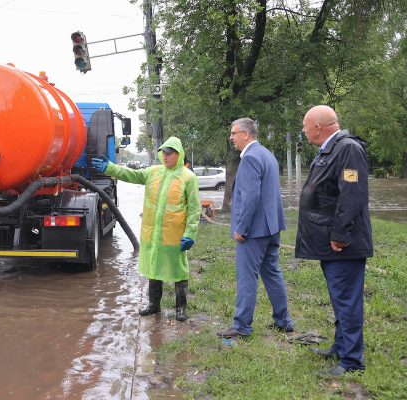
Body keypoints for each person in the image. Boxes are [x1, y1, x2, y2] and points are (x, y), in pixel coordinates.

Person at [296, 105, 372, 377]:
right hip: (329, 242)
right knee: (340, 298)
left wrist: (340, 236)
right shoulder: (332, 149)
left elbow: (352, 195)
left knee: (347, 300)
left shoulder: (348, 149)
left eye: (305, 126)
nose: (303, 131)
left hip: (343, 244)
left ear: (317, 127)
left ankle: (352, 360)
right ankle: (340, 346)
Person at [90, 137, 201, 321]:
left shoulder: (188, 177)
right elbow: (130, 174)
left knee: (178, 271)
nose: (166, 157)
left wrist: (190, 233)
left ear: (178, 154)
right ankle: (154, 305)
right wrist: (110, 167)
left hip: (174, 235)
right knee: (153, 269)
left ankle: (181, 308)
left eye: (170, 153)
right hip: (153, 234)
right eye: (164, 153)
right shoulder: (153, 172)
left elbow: (194, 209)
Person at [217, 118, 294, 339]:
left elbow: (251, 197)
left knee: (247, 277)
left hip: (254, 230)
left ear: (246, 134)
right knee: (272, 272)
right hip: (271, 227)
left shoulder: (250, 158)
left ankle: (241, 326)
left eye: (234, 133)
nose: (231, 137)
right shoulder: (267, 154)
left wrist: (241, 227)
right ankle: (283, 320)